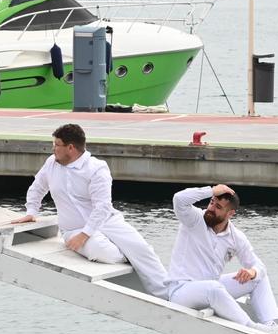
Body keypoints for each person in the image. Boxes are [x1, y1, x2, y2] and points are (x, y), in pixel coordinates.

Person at [12, 124, 169, 298]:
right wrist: (31, 211)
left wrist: (86, 234)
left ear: (70, 148)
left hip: (108, 222)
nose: (53, 148)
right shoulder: (51, 163)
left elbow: (102, 206)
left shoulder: (97, 168)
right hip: (73, 229)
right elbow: (38, 187)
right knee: (104, 252)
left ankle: (168, 294)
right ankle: (129, 256)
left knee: (142, 248)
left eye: (57, 145)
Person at [166, 185, 278, 334]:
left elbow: (259, 266)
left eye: (218, 206)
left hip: (211, 290)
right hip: (181, 291)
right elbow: (179, 199)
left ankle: (270, 324)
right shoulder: (194, 219)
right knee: (214, 287)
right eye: (211, 202)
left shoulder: (235, 237)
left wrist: (252, 272)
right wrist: (212, 190)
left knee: (258, 278)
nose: (211, 208)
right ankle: (253, 328)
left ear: (230, 213)